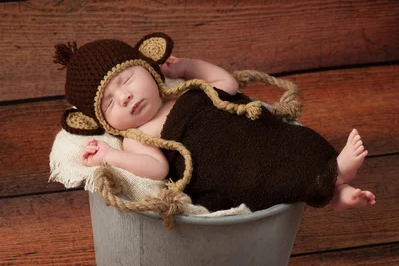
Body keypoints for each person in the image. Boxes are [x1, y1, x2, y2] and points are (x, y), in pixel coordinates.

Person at [54, 34, 375, 213]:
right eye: (109, 102)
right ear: (104, 123)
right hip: (220, 167)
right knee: (257, 179)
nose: (124, 97)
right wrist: (110, 157)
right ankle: (333, 184)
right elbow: (157, 170)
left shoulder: (187, 89)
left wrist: (187, 68)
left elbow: (227, 84)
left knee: (294, 142)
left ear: (151, 72)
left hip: (252, 133)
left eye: (127, 80)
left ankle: (334, 184)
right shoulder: (137, 137)